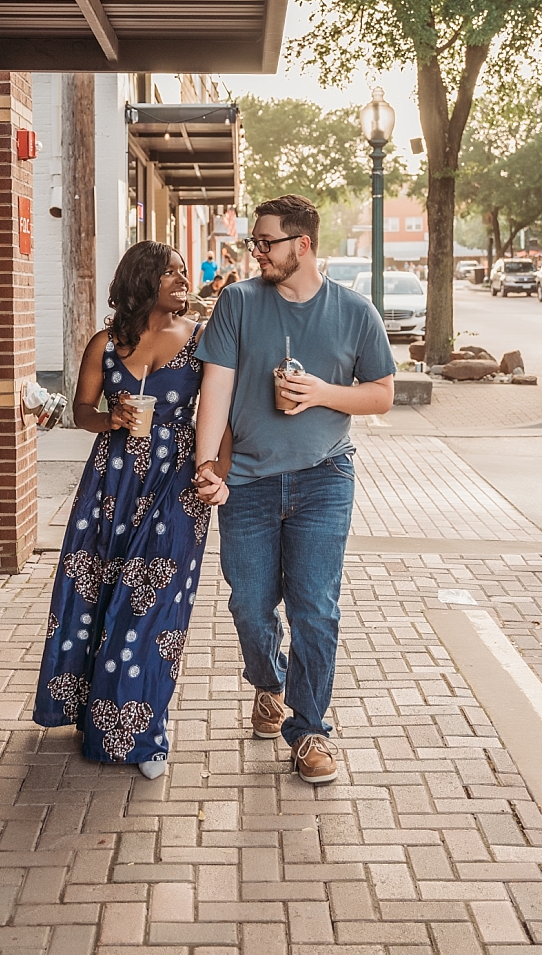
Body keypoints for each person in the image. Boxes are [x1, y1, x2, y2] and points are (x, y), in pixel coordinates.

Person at [191, 195, 397, 784]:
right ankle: (268, 683)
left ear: (301, 245)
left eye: (266, 242)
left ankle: (309, 731)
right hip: (249, 483)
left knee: (314, 610)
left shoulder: (355, 312)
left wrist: (320, 392)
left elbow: (382, 393)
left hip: (324, 479)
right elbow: (217, 393)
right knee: (249, 607)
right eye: (255, 242)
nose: (256, 251)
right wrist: (209, 466)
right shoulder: (236, 303)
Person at [34, 241, 214, 779]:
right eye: (172, 272)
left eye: (183, 272)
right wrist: (109, 418)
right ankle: (90, 712)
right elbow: (80, 412)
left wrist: (216, 469)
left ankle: (141, 733)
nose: (183, 279)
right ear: (142, 280)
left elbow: (220, 410)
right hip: (109, 483)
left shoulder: (200, 339)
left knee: (151, 608)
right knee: (95, 596)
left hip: (174, 483)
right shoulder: (104, 343)